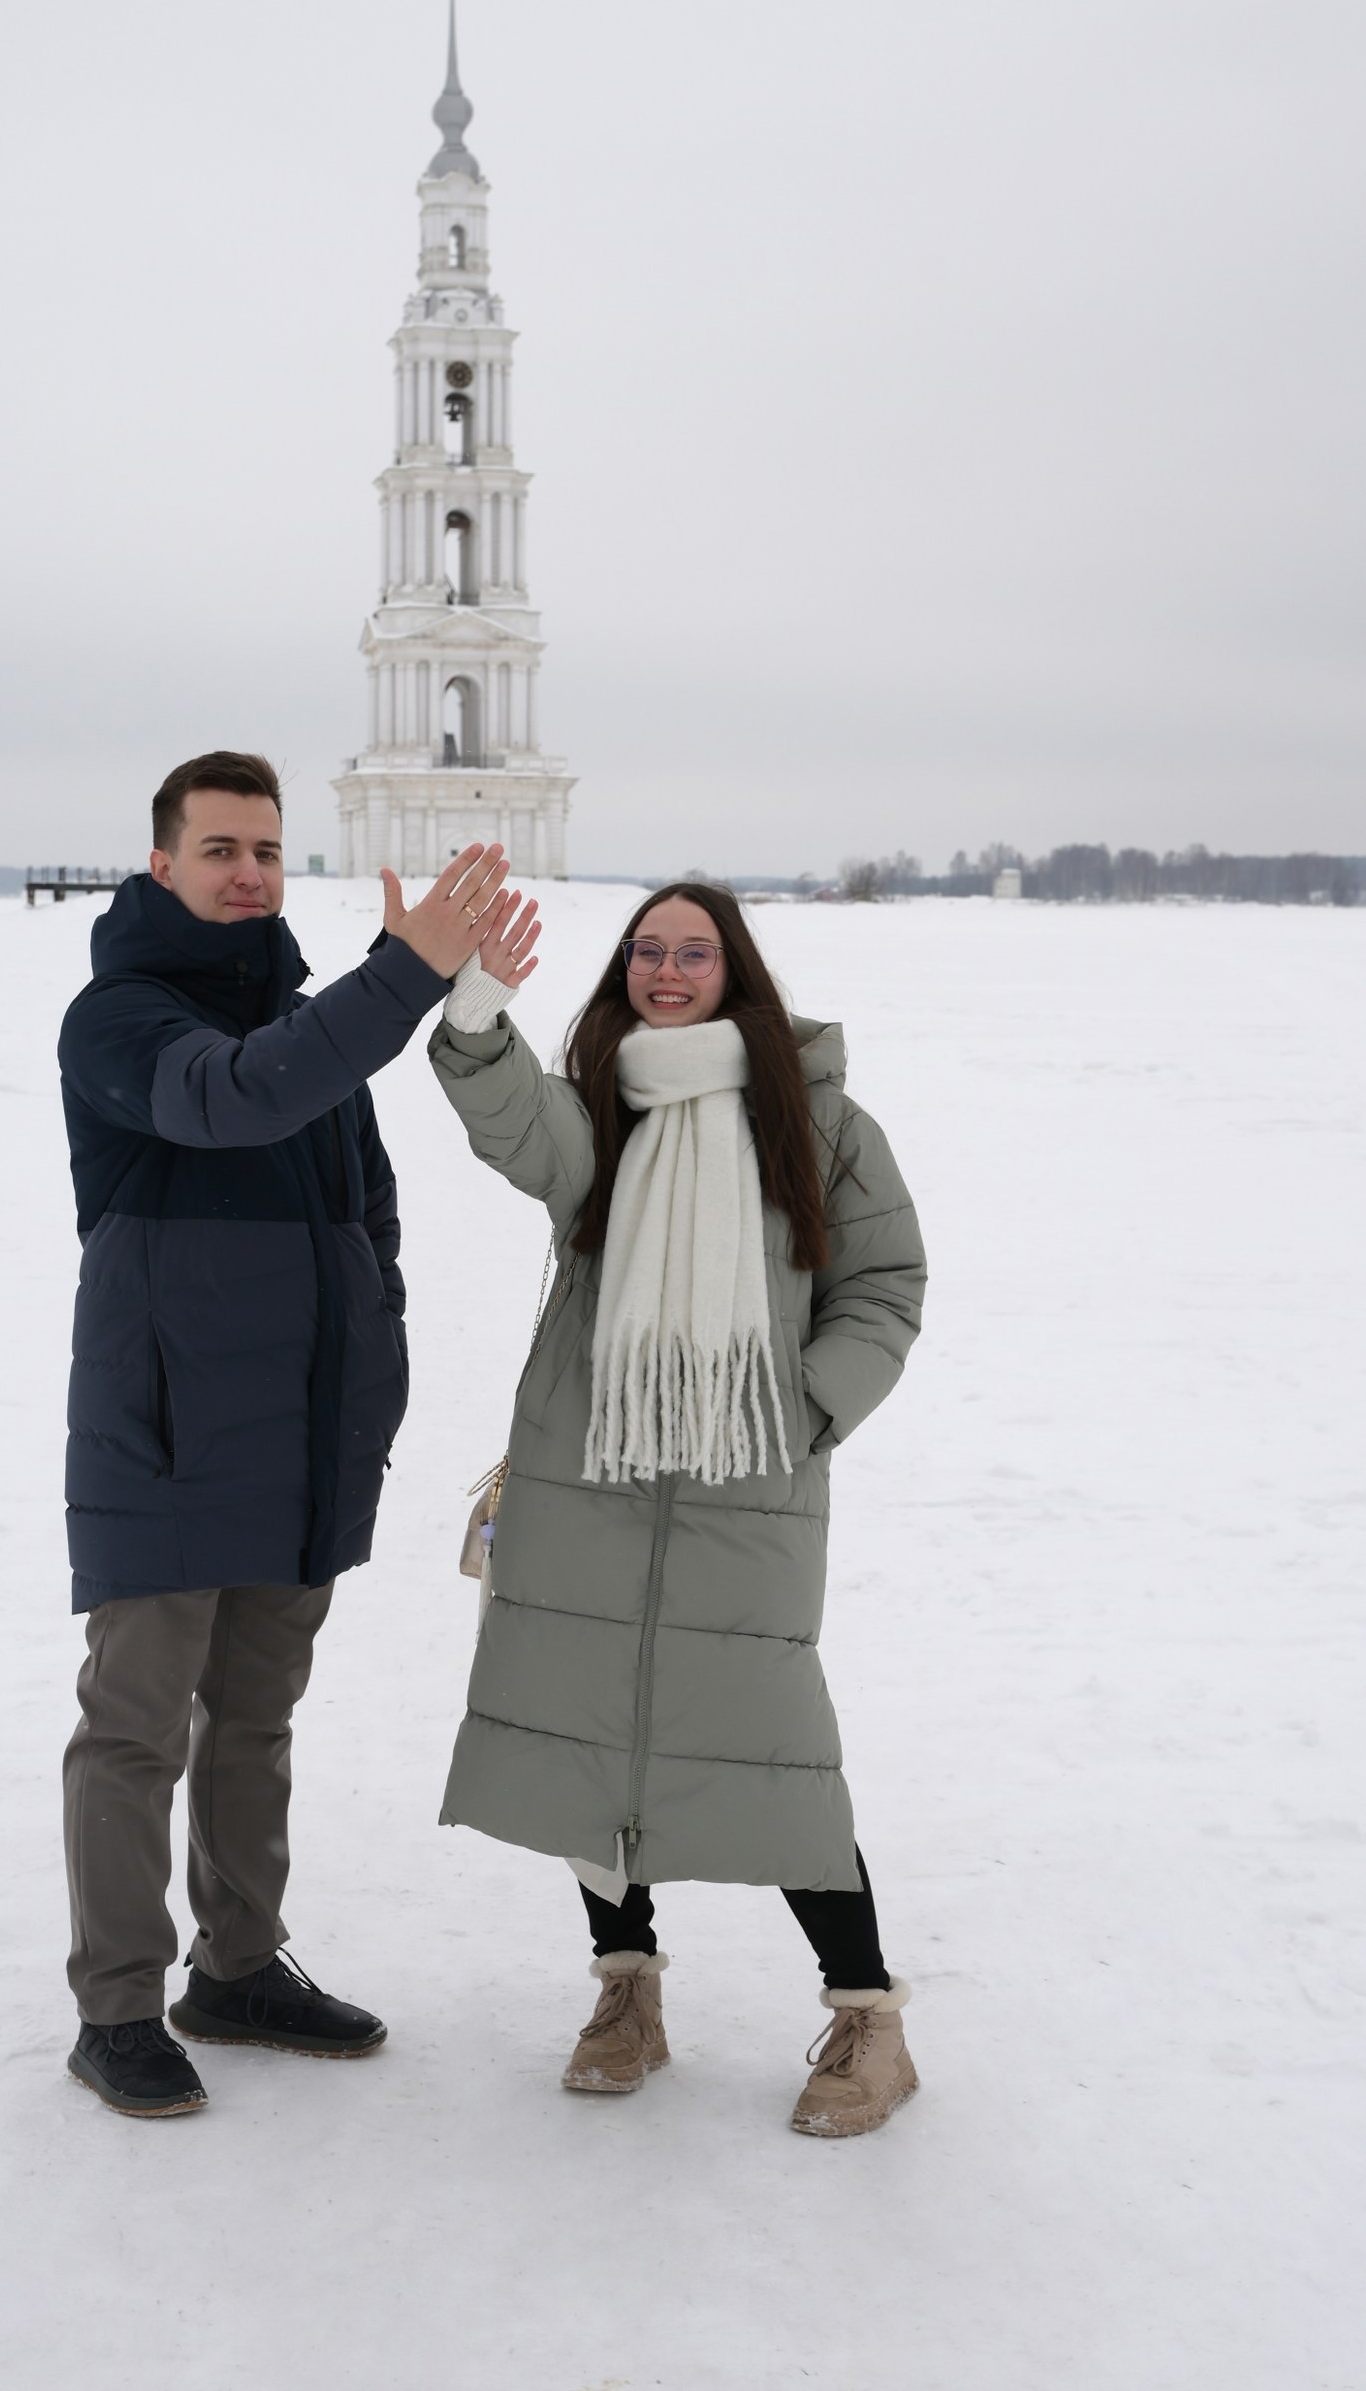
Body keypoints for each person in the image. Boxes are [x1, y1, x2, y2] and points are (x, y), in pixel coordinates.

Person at [429, 880, 927, 2136]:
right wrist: (477, 1017)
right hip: (588, 1469)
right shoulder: (600, 1109)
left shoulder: (819, 1120)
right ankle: (625, 1991)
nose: (665, 970)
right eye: (645, 950)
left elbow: (883, 1281)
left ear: (732, 970)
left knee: (773, 1748)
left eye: (692, 951)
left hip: (744, 1477)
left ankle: (867, 2017)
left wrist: (805, 1405)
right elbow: (515, 1127)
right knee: (583, 1735)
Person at [57, 748, 510, 2116]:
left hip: (298, 1435)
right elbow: (236, 1094)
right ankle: (117, 2007)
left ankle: (239, 1968)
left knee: (254, 1722)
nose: (248, 873)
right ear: (161, 865)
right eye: (219, 850)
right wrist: (405, 972)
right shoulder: (120, 1020)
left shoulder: (315, 1033)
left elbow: (368, 1221)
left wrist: (370, 1365)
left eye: (263, 850)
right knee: (135, 1732)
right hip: (163, 1439)